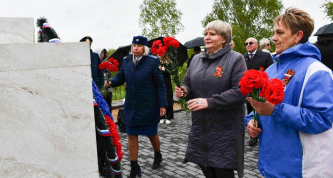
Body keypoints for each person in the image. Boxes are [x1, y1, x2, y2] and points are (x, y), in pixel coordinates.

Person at [245, 8, 333, 178]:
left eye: (279, 32)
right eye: (273, 32)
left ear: (298, 36)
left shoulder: (316, 71)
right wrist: (251, 121)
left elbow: (322, 119)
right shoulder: (271, 69)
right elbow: (261, 107)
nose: (273, 38)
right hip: (270, 166)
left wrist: (275, 110)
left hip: (300, 169)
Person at [175, 20, 247, 178]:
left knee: (222, 170)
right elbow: (187, 82)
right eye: (205, 34)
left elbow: (240, 91)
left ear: (224, 39)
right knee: (204, 165)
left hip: (224, 127)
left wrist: (209, 102)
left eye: (212, 34)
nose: (206, 37)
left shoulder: (236, 59)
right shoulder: (196, 60)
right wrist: (184, 90)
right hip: (200, 125)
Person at [105, 35, 167, 178]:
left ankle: (158, 154)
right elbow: (120, 77)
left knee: (152, 133)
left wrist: (163, 104)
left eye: (138, 46)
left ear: (144, 48)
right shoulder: (126, 61)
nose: (135, 48)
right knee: (131, 135)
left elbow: (160, 84)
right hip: (132, 105)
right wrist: (110, 82)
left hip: (148, 105)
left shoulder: (152, 61)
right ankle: (134, 167)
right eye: (133, 46)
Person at [243, 37, 273, 146]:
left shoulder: (265, 56)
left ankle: (265, 134)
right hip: (249, 90)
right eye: (246, 43)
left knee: (262, 112)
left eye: (251, 43)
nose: (248, 45)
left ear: (256, 45)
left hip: (261, 90)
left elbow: (271, 71)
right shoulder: (243, 57)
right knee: (251, 113)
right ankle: (253, 136)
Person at [158, 59, 174, 124]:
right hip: (158, 82)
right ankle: (161, 116)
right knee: (160, 97)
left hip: (166, 82)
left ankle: (169, 116)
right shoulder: (155, 62)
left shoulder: (168, 61)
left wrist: (162, 68)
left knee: (168, 97)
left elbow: (170, 72)